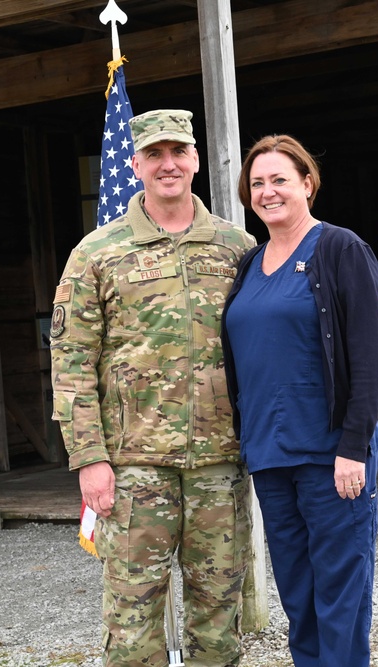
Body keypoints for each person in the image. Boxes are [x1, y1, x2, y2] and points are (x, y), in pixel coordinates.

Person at [50, 109, 257, 667]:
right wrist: (89, 458)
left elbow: (265, 350)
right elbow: (71, 361)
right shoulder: (97, 252)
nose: (168, 165)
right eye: (155, 155)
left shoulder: (237, 248)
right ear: (136, 163)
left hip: (220, 460)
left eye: (178, 152)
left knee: (219, 610)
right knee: (132, 615)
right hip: (134, 466)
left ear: (194, 160)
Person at [221, 134, 378, 667]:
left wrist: (354, 446)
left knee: (340, 594)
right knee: (298, 593)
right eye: (258, 183)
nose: (268, 192)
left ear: (308, 184)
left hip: (331, 456)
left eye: (280, 180)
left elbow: (371, 352)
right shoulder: (248, 265)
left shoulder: (339, 249)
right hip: (271, 456)